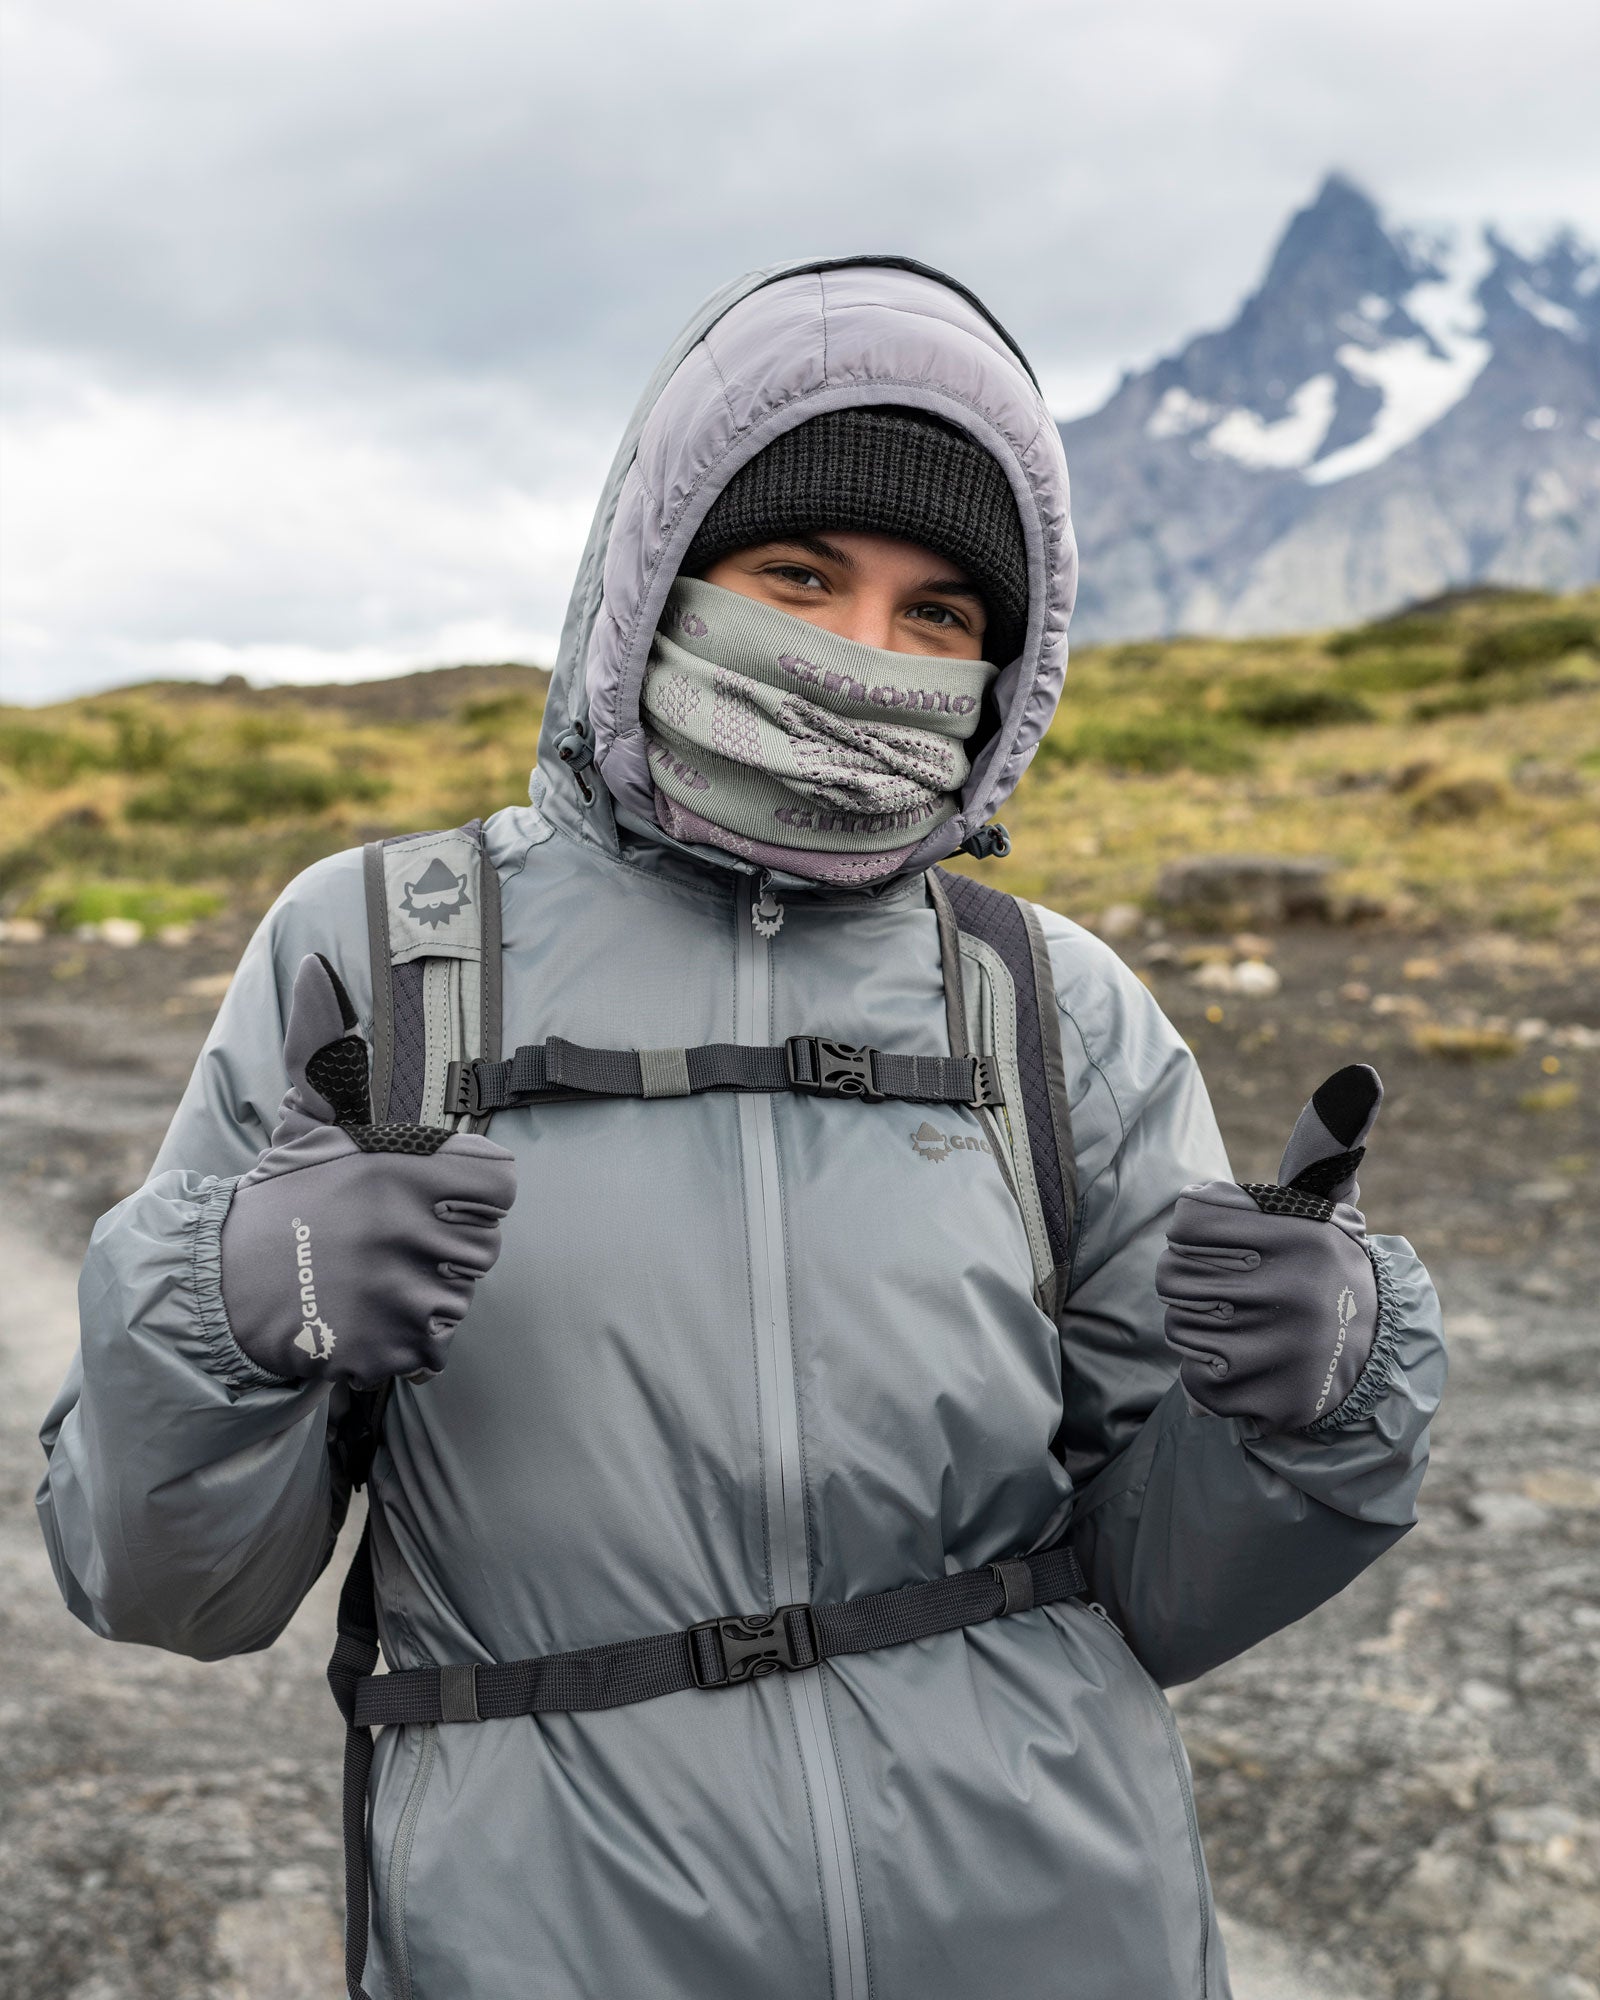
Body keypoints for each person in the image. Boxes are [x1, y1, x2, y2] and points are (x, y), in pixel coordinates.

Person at [37, 256, 1446, 1999]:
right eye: (798, 575)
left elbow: (1165, 1599)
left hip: (1063, 1936)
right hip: (558, 1943)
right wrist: (232, 1311)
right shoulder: (384, 954)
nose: (865, 657)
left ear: (1004, 668)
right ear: (656, 578)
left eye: (939, 615)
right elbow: (169, 1587)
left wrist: (1311, 1413)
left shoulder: (1046, 1003)